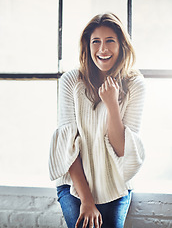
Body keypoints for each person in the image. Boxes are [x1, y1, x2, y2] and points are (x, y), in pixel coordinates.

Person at [49, 13, 145, 228]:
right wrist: (87, 200)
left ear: (121, 45)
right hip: (75, 185)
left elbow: (122, 150)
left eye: (110, 41)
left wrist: (112, 104)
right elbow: (68, 147)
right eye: (96, 42)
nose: (103, 49)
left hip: (115, 184)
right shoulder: (71, 81)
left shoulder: (135, 85)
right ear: (87, 46)